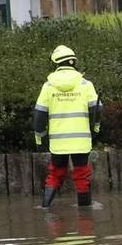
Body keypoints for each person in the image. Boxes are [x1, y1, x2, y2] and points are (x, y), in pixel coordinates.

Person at [34, 44, 102, 208]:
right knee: (81, 174)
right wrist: (96, 129)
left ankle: (44, 207)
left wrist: (39, 138)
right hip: (81, 141)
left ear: (56, 63)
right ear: (74, 62)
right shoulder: (86, 84)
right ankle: (85, 214)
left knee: (56, 174)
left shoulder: (48, 87)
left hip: (58, 142)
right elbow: (97, 109)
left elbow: (39, 115)